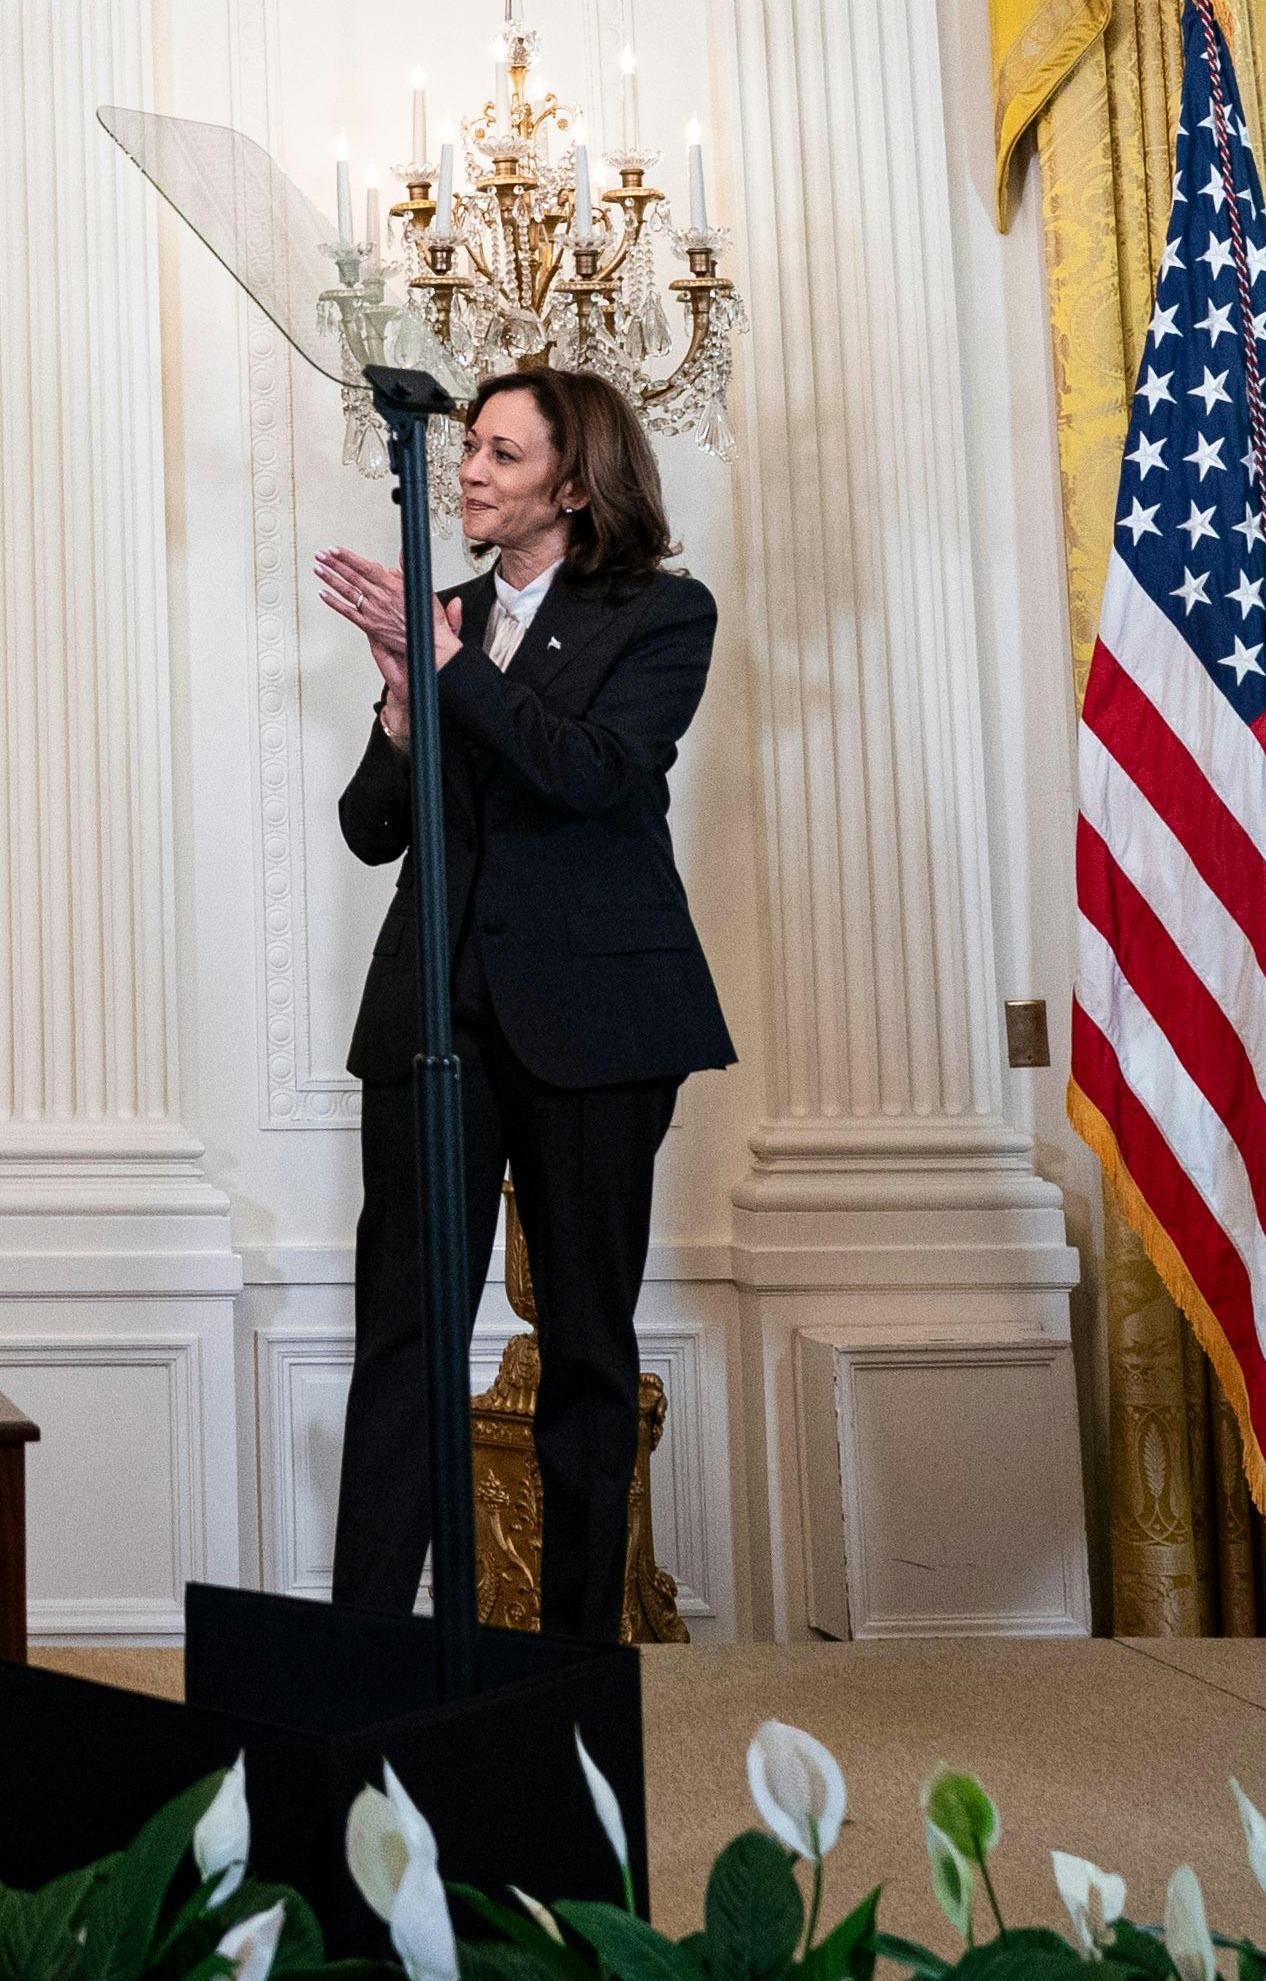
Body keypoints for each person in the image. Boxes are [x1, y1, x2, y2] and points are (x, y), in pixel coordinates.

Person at [313, 362, 733, 1647]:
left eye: (500, 452)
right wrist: (397, 699)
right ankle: (363, 1659)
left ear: (572, 475)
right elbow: (370, 829)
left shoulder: (661, 615)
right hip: (436, 1018)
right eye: (471, 449)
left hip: (595, 1024)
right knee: (403, 1345)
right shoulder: (441, 617)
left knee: (588, 1352)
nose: (470, 471)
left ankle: (570, 1673)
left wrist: (446, 667)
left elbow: (594, 774)